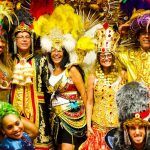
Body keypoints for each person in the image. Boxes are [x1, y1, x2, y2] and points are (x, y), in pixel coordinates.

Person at [79, 25, 126, 150]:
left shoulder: (123, 75)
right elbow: (89, 102)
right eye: (103, 55)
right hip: (98, 127)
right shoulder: (92, 77)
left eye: (108, 55)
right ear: (99, 58)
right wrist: (88, 126)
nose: (106, 58)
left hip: (118, 127)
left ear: (113, 56)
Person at [40, 28, 87, 150]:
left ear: (65, 53)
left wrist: (89, 122)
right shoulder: (50, 72)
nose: (56, 54)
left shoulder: (72, 70)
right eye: (53, 51)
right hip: (55, 120)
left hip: (71, 117)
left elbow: (84, 95)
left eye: (60, 51)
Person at [10, 22, 53, 149]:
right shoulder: (9, 60)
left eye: (27, 37)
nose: (24, 39)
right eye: (20, 36)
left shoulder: (41, 60)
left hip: (38, 109)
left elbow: (47, 87)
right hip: (13, 107)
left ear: (31, 40)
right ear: (15, 41)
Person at [105, 81, 150, 150]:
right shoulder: (117, 145)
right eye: (132, 128)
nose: (137, 132)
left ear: (146, 128)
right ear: (126, 130)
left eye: (141, 127)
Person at [117, 9, 150, 87]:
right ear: (138, 37)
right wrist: (121, 36)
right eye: (143, 33)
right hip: (134, 98)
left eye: (149, 33)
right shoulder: (129, 56)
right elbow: (113, 53)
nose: (147, 36)